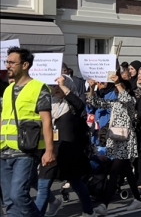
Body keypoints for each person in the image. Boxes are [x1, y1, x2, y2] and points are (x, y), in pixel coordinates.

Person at [1, 47, 55, 217]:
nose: (7, 66)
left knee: (18, 195)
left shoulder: (39, 88)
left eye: (12, 62)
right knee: (9, 199)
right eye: (7, 62)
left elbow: (47, 120)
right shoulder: (8, 89)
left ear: (25, 65)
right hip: (4, 150)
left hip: (26, 149)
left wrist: (49, 150)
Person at [36, 75, 94, 217]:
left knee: (77, 184)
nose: (56, 88)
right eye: (54, 85)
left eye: (59, 85)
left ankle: (88, 212)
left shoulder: (72, 106)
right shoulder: (48, 104)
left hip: (69, 152)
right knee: (43, 187)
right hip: (50, 150)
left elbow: (80, 105)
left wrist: (63, 85)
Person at [87, 74, 141, 215]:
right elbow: (95, 102)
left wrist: (118, 82)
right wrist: (93, 88)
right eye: (117, 90)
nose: (118, 92)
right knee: (127, 172)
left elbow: (125, 98)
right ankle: (138, 199)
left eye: (120, 89)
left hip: (125, 140)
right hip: (115, 140)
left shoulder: (130, 100)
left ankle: (104, 205)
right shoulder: (115, 102)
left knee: (114, 172)